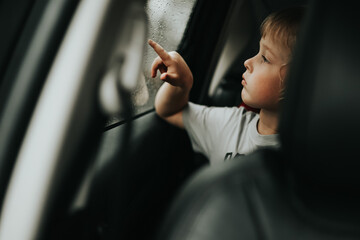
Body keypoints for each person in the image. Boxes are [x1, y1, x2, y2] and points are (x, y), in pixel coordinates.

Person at [148, 6, 305, 165]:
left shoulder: (308, 160)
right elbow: (169, 111)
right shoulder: (231, 125)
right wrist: (183, 84)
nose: (247, 62)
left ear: (293, 80)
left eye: (265, 58)